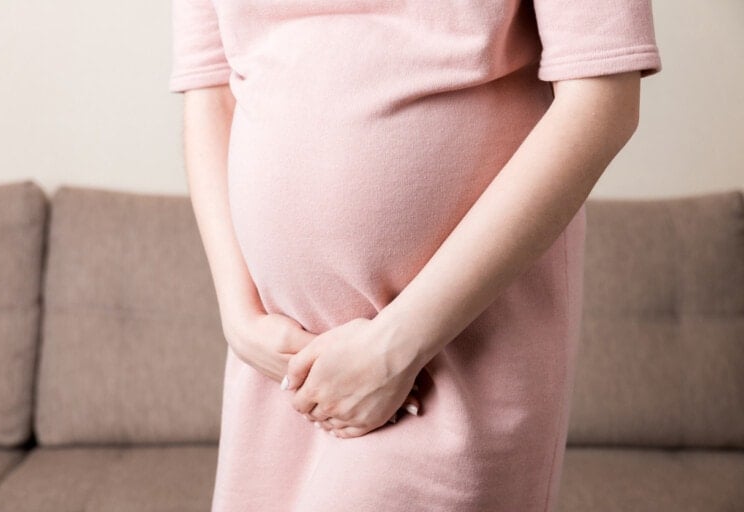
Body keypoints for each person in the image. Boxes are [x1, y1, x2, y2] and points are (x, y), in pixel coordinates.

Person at [168, 0, 662, 510]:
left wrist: (397, 345)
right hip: (274, 357)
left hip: (443, 349)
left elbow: (603, 101)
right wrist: (240, 316)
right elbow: (210, 91)